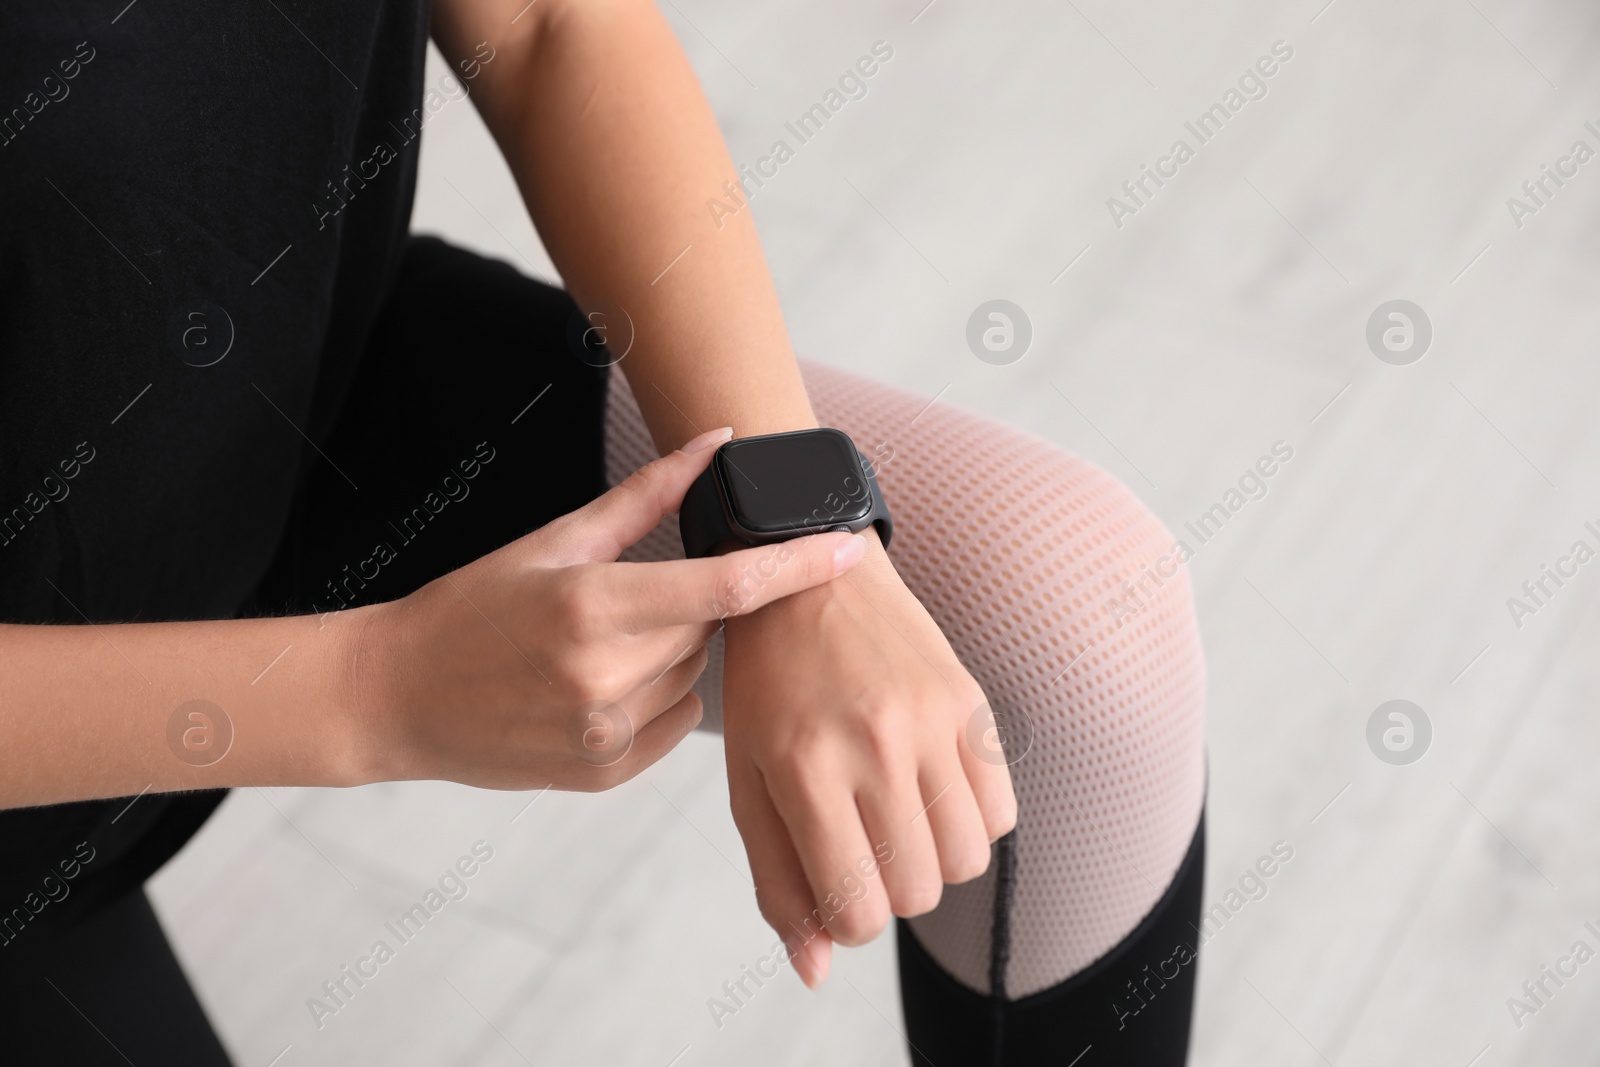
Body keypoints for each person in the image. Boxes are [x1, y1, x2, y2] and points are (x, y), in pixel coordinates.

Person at [0, 1, 1207, 1063]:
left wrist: (788, 530)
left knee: (1084, 633)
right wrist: (377, 691)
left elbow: (546, 22)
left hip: (267, 382)